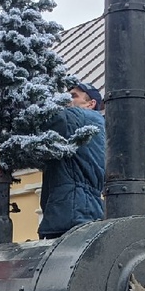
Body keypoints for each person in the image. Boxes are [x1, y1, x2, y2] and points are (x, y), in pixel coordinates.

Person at [38, 82, 106, 240]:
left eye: (74, 96)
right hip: (79, 211)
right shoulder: (95, 125)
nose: (67, 99)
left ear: (91, 104)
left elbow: (47, 117)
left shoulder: (82, 117)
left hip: (72, 213)